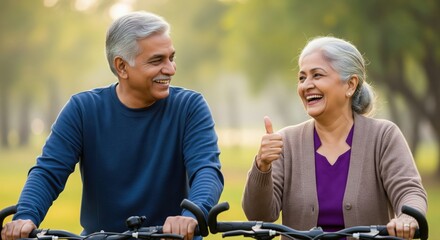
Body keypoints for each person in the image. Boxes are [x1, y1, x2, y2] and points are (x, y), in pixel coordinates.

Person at [1, 11, 223, 240]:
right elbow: (48, 172)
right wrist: (25, 216)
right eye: (157, 60)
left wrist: (191, 214)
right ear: (122, 67)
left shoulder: (190, 107)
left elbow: (206, 170)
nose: (170, 69)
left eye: (171, 58)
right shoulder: (82, 109)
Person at [242, 36, 427, 240]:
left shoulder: (383, 136)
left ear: (350, 85)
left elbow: (410, 191)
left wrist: (408, 218)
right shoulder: (286, 142)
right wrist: (262, 165)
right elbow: (259, 216)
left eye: (317, 75)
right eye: (302, 78)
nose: (306, 85)